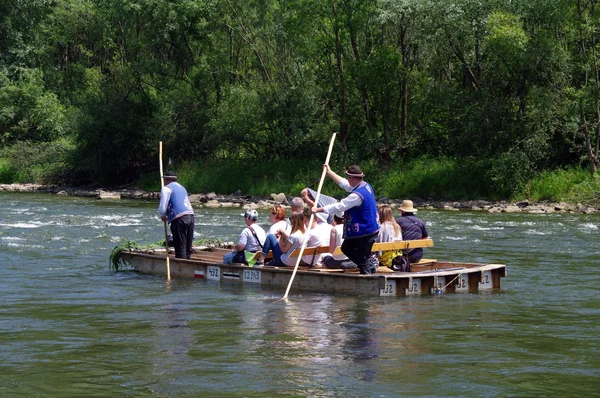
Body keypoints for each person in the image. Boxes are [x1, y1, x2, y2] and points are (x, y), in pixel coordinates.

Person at [311, 165, 380, 274]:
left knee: (359, 255)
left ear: (352, 178)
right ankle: (370, 268)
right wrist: (330, 172)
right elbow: (344, 184)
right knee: (348, 249)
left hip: (366, 230)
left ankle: (367, 275)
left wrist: (319, 209)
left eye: (348, 178)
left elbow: (340, 206)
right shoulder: (365, 185)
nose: (347, 180)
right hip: (368, 228)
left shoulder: (357, 195)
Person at [158, 171, 195, 259]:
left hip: (179, 219)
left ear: (167, 180)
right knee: (187, 246)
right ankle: (188, 263)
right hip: (191, 216)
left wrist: (163, 215)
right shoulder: (182, 187)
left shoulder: (166, 189)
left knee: (180, 246)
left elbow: (162, 208)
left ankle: (181, 267)